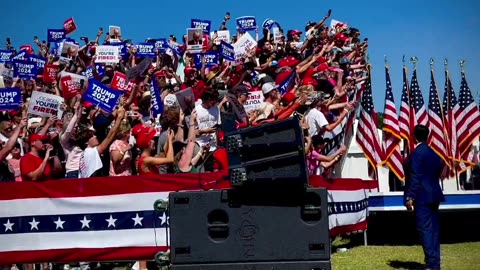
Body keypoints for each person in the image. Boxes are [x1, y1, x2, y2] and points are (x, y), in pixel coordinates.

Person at [404, 124, 445, 270]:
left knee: (425, 229)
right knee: (433, 229)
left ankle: (431, 263)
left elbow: (416, 177)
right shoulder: (433, 153)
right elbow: (438, 171)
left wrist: (410, 197)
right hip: (434, 194)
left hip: (422, 196)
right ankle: (435, 262)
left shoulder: (416, 154)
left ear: (414, 136)